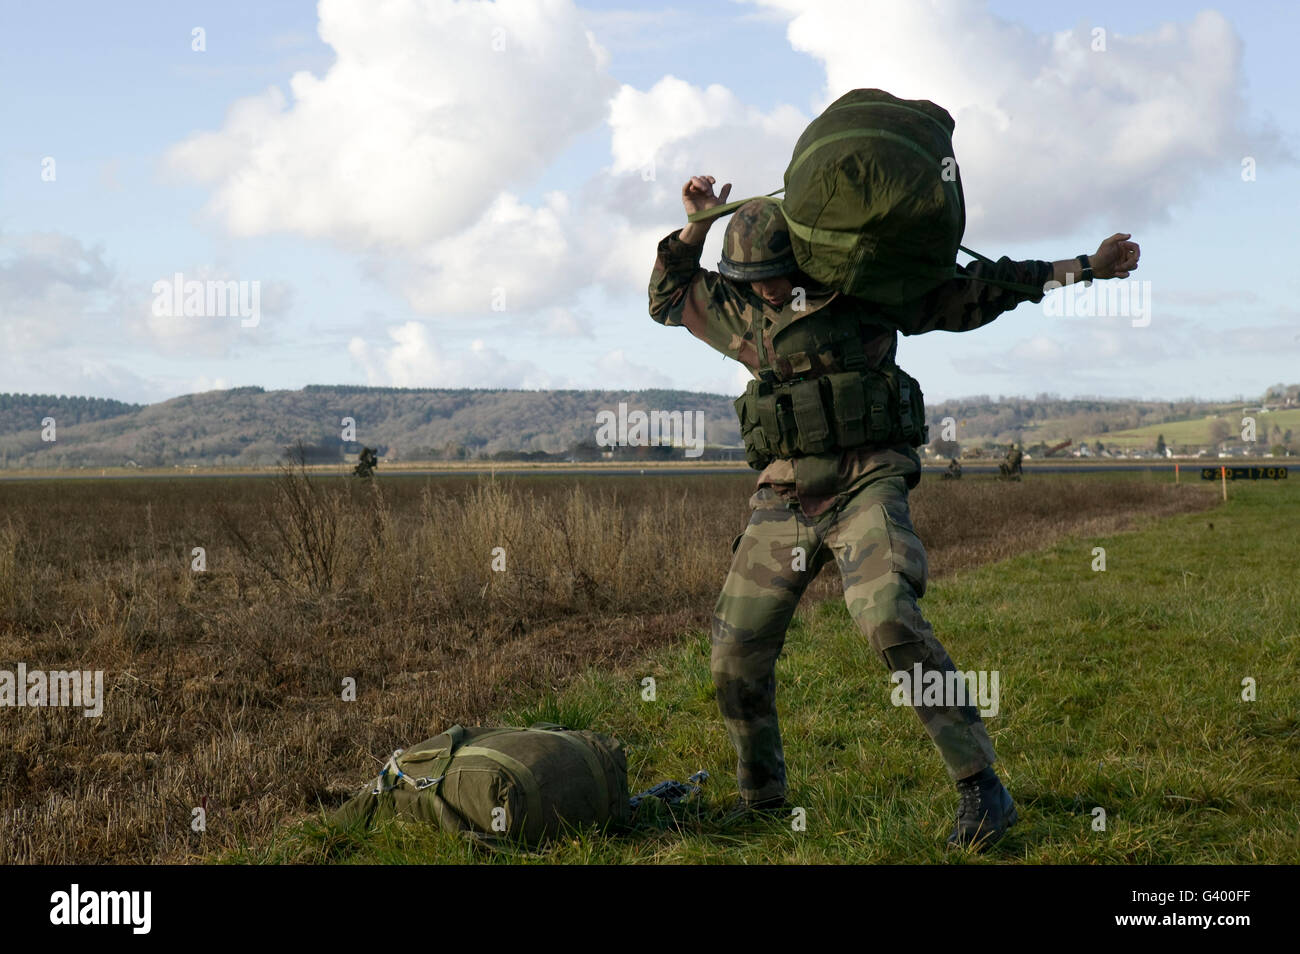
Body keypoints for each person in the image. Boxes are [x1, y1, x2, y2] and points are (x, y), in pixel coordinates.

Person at [648, 174, 1139, 849]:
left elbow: (985, 288)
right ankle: (761, 798)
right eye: (752, 276)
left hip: (867, 484)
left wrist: (1087, 268)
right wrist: (699, 225)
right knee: (734, 652)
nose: (765, 286)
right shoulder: (739, 309)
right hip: (784, 497)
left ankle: (981, 788)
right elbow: (668, 294)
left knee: (886, 615)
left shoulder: (868, 289)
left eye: (775, 273)